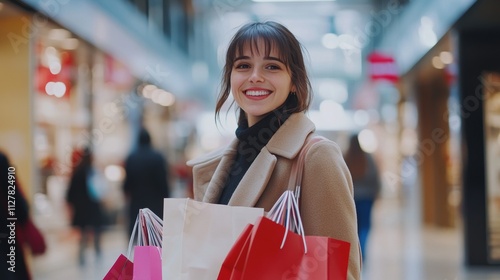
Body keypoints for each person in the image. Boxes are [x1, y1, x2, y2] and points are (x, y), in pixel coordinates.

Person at [187, 21, 361, 279]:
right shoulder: (221, 164)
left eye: (272, 66)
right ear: (231, 77)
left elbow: (340, 272)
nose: (255, 76)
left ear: (294, 81)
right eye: (243, 66)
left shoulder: (315, 157)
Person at [123, 127, 170, 236]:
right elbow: (163, 183)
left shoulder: (131, 158)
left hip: (137, 202)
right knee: (154, 234)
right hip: (155, 203)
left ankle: (140, 253)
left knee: (139, 233)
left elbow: (127, 184)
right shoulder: (158, 158)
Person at [344, 133, 381, 262]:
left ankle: (354, 252)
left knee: (353, 226)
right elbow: (375, 177)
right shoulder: (367, 158)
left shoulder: (345, 158)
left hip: (351, 197)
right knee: (365, 226)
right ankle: (362, 252)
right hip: (366, 198)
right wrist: (377, 192)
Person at [66, 147, 104, 266]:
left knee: (83, 233)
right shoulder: (92, 172)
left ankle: (82, 257)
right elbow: (99, 190)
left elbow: (69, 194)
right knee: (96, 231)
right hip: (92, 207)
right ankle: (98, 254)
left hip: (81, 209)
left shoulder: (77, 172)